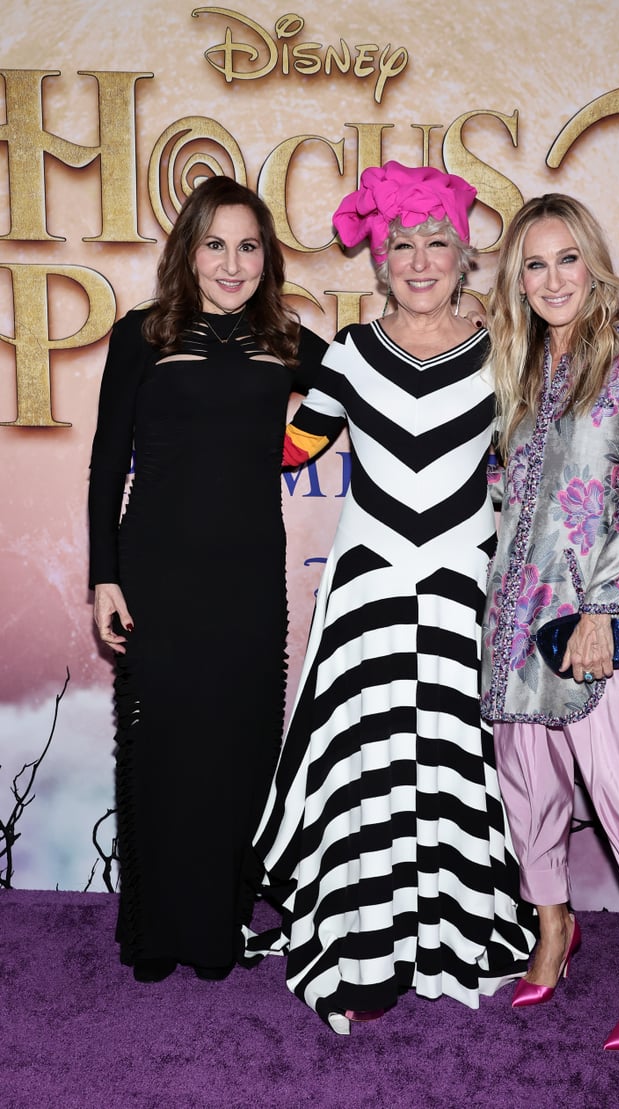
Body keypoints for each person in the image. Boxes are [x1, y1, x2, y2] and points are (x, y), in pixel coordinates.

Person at [246, 161, 536, 1034]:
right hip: (369, 590)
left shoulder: (503, 351)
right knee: (370, 762)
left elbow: (535, 464)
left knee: (453, 759)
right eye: (401, 244)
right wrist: (228, 401)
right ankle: (363, 947)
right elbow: (295, 449)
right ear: (380, 260)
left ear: (463, 254)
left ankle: (453, 937)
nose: (419, 260)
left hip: (461, 589)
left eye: (435, 243)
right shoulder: (348, 355)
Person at [89, 176, 327, 983]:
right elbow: (103, 468)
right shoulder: (141, 337)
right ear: (189, 251)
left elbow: (379, 386)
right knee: (159, 752)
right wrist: (103, 578)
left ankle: (219, 924)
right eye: (216, 244)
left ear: (268, 257)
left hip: (250, 581)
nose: (233, 262)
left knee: (239, 752)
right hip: (157, 577)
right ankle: (156, 932)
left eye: (249, 245)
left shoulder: (291, 343)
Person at [480, 193, 619, 1050]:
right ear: (518, 280)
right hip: (516, 609)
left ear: (593, 261)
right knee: (527, 780)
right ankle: (555, 928)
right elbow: (509, 494)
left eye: (568, 258)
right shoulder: (521, 365)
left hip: (598, 610)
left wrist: (605, 605)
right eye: (535, 263)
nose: (553, 277)